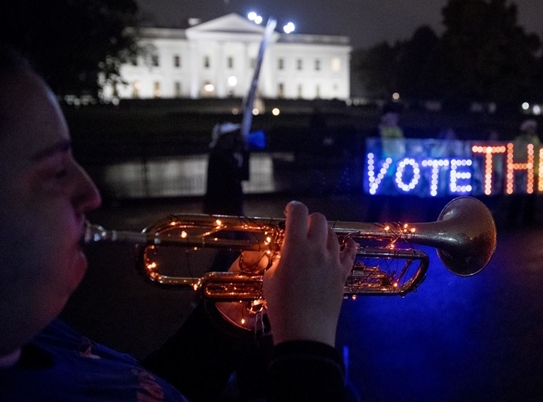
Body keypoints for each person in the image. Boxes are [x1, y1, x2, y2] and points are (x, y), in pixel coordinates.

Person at [0, 45, 358, 401]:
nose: (92, 195)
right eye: (57, 170)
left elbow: (156, 387)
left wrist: (228, 315)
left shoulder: (35, 335)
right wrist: (308, 346)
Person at [204, 121, 248, 216]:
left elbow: (242, 175)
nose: (234, 139)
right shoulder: (219, 156)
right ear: (223, 138)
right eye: (231, 136)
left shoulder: (225, 155)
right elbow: (239, 175)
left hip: (227, 206)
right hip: (223, 207)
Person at [507, 119, 541, 228]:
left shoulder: (536, 139)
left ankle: (528, 219)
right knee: (518, 196)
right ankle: (512, 219)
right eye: (530, 128)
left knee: (531, 197)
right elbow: (516, 155)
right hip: (522, 171)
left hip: (534, 171)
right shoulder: (519, 140)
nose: (532, 130)